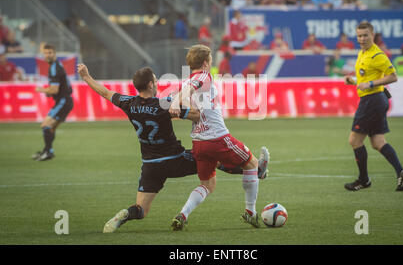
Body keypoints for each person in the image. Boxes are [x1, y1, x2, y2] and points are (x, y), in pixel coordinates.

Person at [77, 63, 267, 233]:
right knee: (211, 160)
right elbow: (195, 116)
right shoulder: (163, 104)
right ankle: (256, 171)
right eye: (155, 80)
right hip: (175, 159)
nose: (157, 82)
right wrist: (181, 103)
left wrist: (86, 77)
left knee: (141, 210)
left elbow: (104, 92)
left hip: (150, 165)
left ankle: (125, 214)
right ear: (151, 84)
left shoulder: (129, 103)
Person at [169, 44, 270, 230]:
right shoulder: (203, 76)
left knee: (208, 184)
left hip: (199, 142)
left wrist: (176, 102)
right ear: (206, 63)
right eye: (211, 60)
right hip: (217, 138)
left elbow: (186, 100)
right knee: (252, 163)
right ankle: (250, 212)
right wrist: (176, 101)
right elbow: (188, 90)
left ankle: (183, 214)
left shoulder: (185, 81)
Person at [344, 21, 403, 192]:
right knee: (378, 142)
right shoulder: (362, 53)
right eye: (359, 35)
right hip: (377, 99)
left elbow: (393, 76)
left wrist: (371, 83)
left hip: (372, 100)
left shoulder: (377, 55)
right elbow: (366, 78)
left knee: (354, 140)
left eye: (365, 35)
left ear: (372, 35)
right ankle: (401, 172)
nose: (362, 38)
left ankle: (363, 180)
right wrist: (354, 81)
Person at [32, 44, 74, 161]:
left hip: (63, 102)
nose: (48, 55)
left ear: (54, 54)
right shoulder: (57, 65)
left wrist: (41, 89)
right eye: (46, 53)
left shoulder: (55, 68)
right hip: (64, 101)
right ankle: (47, 151)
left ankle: (48, 152)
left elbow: (54, 89)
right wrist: (50, 91)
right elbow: (62, 87)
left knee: (45, 125)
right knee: (51, 128)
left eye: (50, 52)